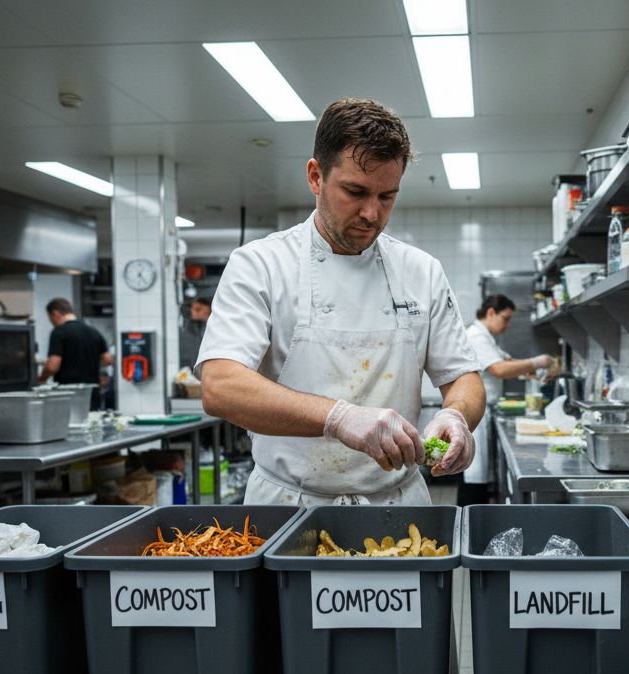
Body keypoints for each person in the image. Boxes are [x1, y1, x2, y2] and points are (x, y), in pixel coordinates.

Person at [198, 97, 485, 507]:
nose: (372, 213)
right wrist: (339, 417)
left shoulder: (421, 271)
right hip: (289, 505)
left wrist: (457, 416)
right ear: (316, 177)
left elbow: (464, 378)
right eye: (355, 191)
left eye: (388, 196)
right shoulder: (260, 264)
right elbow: (220, 386)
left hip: (397, 504)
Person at [460, 294, 556, 505]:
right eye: (506, 318)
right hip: (476, 414)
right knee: (473, 475)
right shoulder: (476, 336)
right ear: (491, 312)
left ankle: (475, 514)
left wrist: (527, 371)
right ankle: (468, 518)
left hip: (483, 411)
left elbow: (507, 361)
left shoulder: (486, 338)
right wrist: (536, 362)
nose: (508, 324)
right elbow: (498, 369)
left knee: (479, 473)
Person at [38, 298, 112, 409]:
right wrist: (88, 363)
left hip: (68, 394)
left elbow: (53, 366)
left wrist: (42, 378)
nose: (52, 322)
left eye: (50, 318)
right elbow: (108, 360)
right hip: (91, 393)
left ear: (55, 314)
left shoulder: (59, 332)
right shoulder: (93, 331)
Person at [179, 297, 212, 369]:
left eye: (197, 310)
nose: (193, 313)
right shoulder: (194, 328)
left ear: (207, 308)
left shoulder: (215, 327)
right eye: (192, 309)